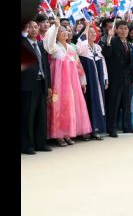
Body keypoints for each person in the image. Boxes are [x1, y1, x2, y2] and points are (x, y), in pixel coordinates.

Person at [44, 18, 93, 146]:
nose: (65, 32)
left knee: (71, 107)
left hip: (72, 83)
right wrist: (55, 27)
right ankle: (59, 134)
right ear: (56, 34)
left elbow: (78, 66)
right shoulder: (54, 48)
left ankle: (67, 133)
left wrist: (83, 81)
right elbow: (48, 44)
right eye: (61, 31)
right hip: (58, 83)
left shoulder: (71, 48)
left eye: (66, 30)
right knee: (59, 107)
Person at [102, 20, 133, 137]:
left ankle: (127, 126)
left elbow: (131, 63)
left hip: (127, 79)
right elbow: (106, 53)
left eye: (126, 29)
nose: (124, 31)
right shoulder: (112, 41)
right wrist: (109, 38)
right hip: (115, 79)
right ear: (116, 30)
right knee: (114, 104)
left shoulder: (128, 44)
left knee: (126, 104)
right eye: (121, 28)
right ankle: (111, 128)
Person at [21, 20, 52, 154]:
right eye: (30, 27)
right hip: (27, 85)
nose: (33, 30)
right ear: (26, 29)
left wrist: (49, 85)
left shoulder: (40, 45)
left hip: (41, 84)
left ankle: (41, 143)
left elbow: (45, 66)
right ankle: (27, 145)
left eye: (35, 27)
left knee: (41, 115)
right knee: (28, 116)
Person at [76, 21, 108, 139]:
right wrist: (87, 26)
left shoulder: (98, 47)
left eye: (94, 32)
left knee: (98, 102)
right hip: (88, 81)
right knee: (88, 102)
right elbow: (80, 46)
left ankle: (98, 128)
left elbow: (103, 64)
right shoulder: (83, 48)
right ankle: (87, 130)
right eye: (90, 32)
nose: (93, 34)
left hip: (98, 80)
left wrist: (105, 79)